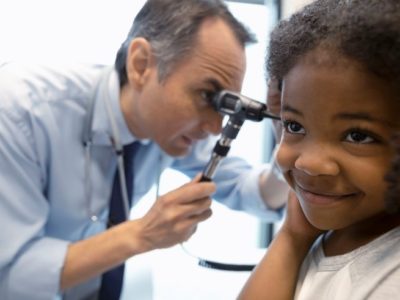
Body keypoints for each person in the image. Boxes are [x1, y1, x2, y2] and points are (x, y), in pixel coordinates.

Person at [0, 0, 289, 299]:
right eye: (206, 95)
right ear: (141, 65)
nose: (215, 127)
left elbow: (256, 194)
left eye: (222, 105)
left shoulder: (169, 130)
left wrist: (287, 144)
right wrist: (142, 234)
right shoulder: (19, 109)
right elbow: (10, 276)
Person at [238, 0, 400, 299]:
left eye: (358, 136)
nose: (310, 163)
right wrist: (292, 237)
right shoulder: (326, 229)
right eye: (295, 126)